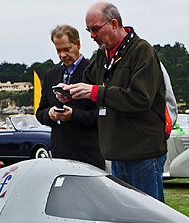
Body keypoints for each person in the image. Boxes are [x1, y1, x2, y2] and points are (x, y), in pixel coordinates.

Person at [61, 2, 168, 201]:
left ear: (113, 24)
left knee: (151, 220)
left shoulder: (142, 52)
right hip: (116, 154)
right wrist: (69, 93)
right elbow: (87, 83)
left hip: (143, 154)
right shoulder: (104, 54)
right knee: (126, 220)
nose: (91, 36)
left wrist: (95, 92)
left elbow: (140, 99)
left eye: (95, 29)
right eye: (89, 30)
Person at [35, 24, 103, 169]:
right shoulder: (50, 75)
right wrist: (50, 114)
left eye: (67, 49)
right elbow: (40, 112)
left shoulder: (95, 72)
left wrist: (73, 115)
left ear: (78, 44)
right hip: (59, 154)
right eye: (58, 50)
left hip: (88, 155)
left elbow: (102, 115)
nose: (62, 55)